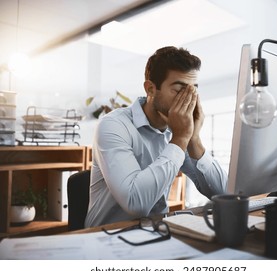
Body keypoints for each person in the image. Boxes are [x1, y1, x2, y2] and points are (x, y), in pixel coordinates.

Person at [84, 46, 227, 227]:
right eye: (178, 90)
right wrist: (181, 138)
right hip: (106, 238)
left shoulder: (177, 131)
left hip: (157, 233)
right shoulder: (113, 125)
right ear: (151, 89)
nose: (188, 100)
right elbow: (136, 204)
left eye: (193, 91)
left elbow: (223, 193)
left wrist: (194, 140)